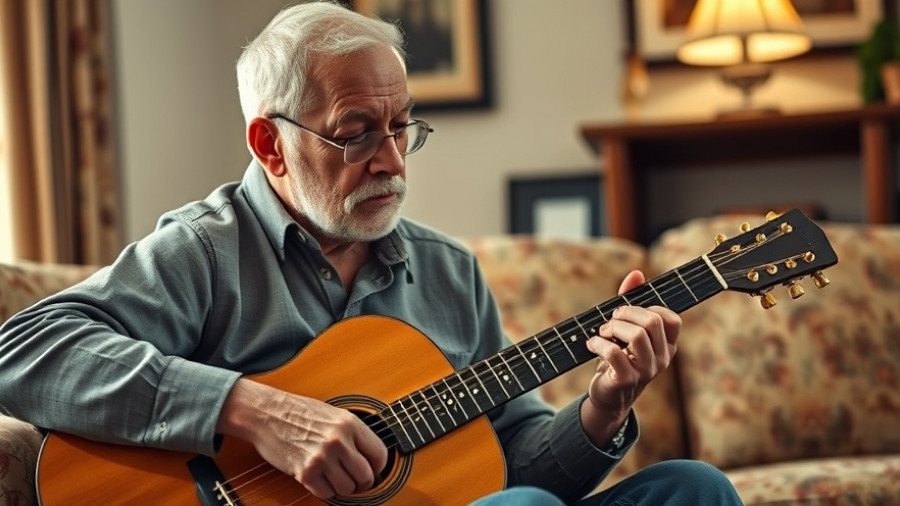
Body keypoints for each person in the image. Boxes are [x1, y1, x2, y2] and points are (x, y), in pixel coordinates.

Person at [0, 2, 743, 505]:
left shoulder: (446, 271)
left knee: (692, 488)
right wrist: (255, 412)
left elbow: (510, 459)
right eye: (357, 132)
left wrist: (602, 410)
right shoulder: (204, 250)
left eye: (402, 128)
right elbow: (23, 351)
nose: (391, 160)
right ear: (270, 144)